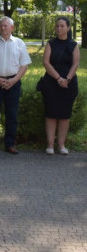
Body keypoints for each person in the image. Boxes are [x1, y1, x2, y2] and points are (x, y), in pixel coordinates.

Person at [0, 16, 31, 155]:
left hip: (14, 83)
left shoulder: (19, 43)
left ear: (12, 28)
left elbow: (24, 65)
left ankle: (10, 144)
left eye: (6, 25)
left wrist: (13, 80)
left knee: (12, 114)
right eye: (1, 25)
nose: (3, 28)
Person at [41, 16, 80, 155]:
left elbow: (75, 63)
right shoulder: (51, 43)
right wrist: (58, 78)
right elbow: (46, 62)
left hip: (68, 84)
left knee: (64, 115)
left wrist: (67, 79)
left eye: (62, 26)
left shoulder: (73, 45)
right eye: (57, 26)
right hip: (51, 83)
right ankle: (50, 145)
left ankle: (61, 145)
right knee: (51, 114)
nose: (59, 28)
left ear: (68, 28)